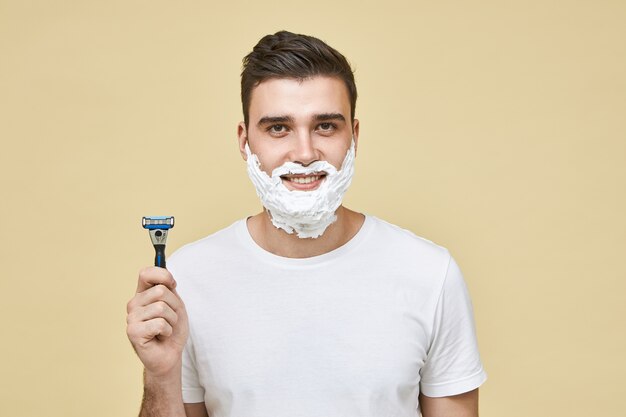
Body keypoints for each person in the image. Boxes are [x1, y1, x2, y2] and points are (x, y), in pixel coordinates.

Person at [126, 30, 487, 417]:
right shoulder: (188, 279)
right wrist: (160, 376)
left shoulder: (430, 274)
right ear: (245, 142)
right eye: (278, 128)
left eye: (326, 126)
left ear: (354, 135)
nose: (304, 153)